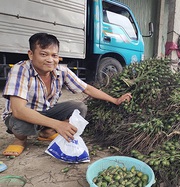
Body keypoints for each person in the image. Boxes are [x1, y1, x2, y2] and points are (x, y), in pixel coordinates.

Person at [2, 33, 132, 157]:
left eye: (54, 55)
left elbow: (87, 89)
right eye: (43, 54)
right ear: (31, 54)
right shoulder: (21, 70)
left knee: (79, 107)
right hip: (23, 115)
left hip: (46, 111)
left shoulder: (61, 71)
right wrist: (58, 125)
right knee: (19, 122)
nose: (50, 60)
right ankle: (20, 140)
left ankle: (46, 132)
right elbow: (18, 110)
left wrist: (114, 100)